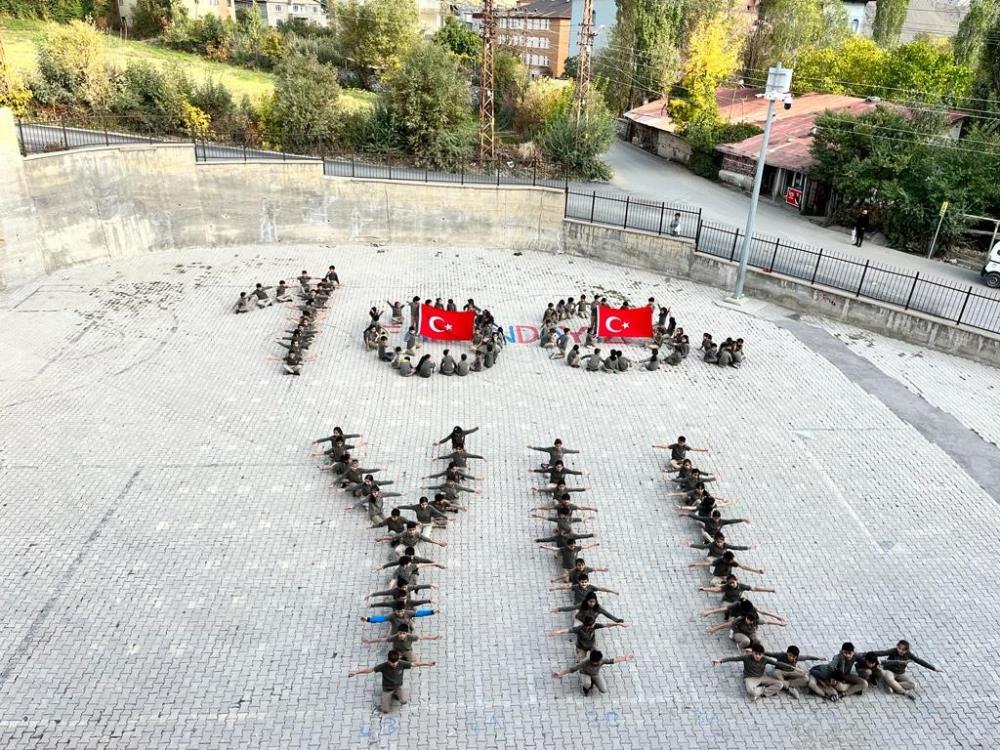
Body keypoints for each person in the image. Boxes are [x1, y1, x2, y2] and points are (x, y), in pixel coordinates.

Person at [347, 649, 435, 714]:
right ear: (388, 660)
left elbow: (414, 664)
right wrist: (356, 672)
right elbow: (370, 670)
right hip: (387, 689)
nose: (394, 664)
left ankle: (396, 694)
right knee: (385, 710)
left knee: (404, 701)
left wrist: (427, 663)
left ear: (398, 660)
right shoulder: (383, 666)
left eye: (395, 662)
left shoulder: (401, 663)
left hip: (398, 687)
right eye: (392, 662)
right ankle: (386, 698)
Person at [711, 643, 788, 701]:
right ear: (752, 652)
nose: (758, 656)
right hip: (750, 678)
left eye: (760, 654)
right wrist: (721, 661)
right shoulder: (746, 657)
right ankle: (764, 692)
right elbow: (734, 658)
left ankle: (762, 692)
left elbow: (777, 663)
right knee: (751, 692)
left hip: (761, 677)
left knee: (780, 684)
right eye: (756, 654)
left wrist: (792, 667)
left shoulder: (765, 659)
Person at [868, 640, 941, 699]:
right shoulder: (893, 651)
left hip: (900, 673)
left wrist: (933, 668)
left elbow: (919, 661)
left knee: (913, 685)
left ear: (906, 651)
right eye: (899, 648)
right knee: (890, 679)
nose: (900, 651)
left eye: (903, 650)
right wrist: (866, 654)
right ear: (897, 646)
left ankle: (892, 686)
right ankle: (904, 692)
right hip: (889, 671)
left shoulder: (909, 655)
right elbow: (881, 653)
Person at [552, 650, 634, 695]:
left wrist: (624, 658)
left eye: (601, 659)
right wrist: (560, 673)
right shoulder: (584, 662)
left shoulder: (601, 659)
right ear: (593, 662)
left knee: (604, 690)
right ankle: (586, 688)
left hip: (595, 674)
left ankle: (594, 681)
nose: (601, 661)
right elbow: (572, 669)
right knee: (587, 684)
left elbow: (612, 660)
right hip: (585, 673)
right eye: (599, 661)